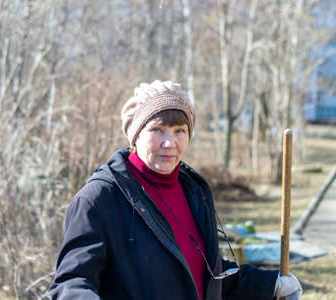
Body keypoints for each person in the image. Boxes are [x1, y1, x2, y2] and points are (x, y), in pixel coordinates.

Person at [49, 80, 302, 300]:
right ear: (135, 135)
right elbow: (72, 282)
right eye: (156, 130)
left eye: (179, 131)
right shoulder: (100, 199)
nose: (169, 143)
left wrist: (269, 285)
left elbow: (205, 275)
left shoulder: (194, 192)